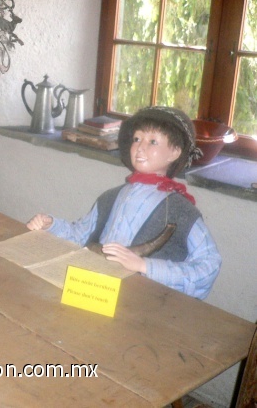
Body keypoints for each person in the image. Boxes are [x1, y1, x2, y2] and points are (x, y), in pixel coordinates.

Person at [27, 106, 221, 299]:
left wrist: (144, 265)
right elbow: (81, 235)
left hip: (142, 303)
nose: (140, 147)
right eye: (137, 139)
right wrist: (51, 225)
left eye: (153, 141)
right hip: (93, 291)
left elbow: (209, 265)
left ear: (174, 153)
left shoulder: (182, 211)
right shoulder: (110, 198)